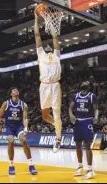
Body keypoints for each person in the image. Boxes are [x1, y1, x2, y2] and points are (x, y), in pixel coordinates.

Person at [34, 10, 62, 152]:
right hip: (44, 86)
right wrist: (36, 18)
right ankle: (57, 125)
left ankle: (58, 138)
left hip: (55, 85)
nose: (49, 46)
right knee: (45, 116)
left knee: (56, 113)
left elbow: (55, 38)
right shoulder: (41, 55)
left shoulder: (57, 54)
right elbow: (37, 35)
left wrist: (51, 22)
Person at [0, 87, 37, 175]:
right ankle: (11, 165)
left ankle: (31, 164)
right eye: (14, 90)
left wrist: (26, 128)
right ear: (11, 94)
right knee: (11, 141)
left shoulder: (23, 105)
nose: (16, 91)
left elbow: (25, 118)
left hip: (19, 127)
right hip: (9, 127)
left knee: (24, 140)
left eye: (17, 90)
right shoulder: (6, 103)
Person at [69, 81, 99, 180]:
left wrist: (96, 116)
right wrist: (71, 114)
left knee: (87, 145)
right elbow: (70, 108)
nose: (84, 83)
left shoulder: (92, 96)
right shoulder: (76, 96)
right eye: (83, 82)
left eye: (86, 82)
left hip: (87, 121)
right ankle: (80, 166)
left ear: (88, 87)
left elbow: (96, 108)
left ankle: (90, 169)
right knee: (78, 145)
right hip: (78, 122)